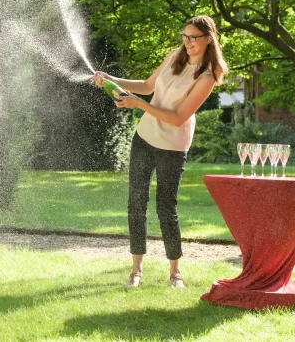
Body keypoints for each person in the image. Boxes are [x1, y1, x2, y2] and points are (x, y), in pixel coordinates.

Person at [92, 15, 228, 288]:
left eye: (194, 37)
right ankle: (136, 270)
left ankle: (175, 271)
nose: (188, 42)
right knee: (136, 203)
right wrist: (111, 79)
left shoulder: (207, 76)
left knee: (166, 207)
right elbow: (146, 86)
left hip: (173, 145)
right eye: (185, 36)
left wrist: (139, 105)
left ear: (208, 39)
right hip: (144, 137)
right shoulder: (174, 55)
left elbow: (178, 117)